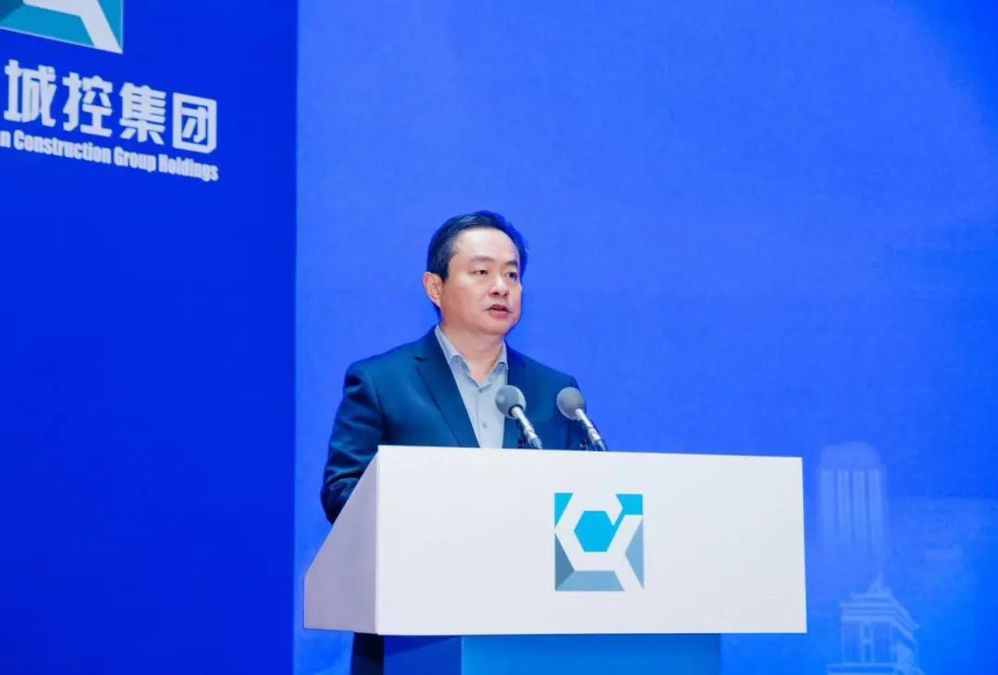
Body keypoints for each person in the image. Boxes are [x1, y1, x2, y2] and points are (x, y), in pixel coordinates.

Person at [320, 210, 588, 674]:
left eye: (512, 275)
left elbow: (584, 498)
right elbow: (343, 493)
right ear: (435, 287)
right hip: (414, 636)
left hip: (530, 638)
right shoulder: (382, 381)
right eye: (482, 272)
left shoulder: (557, 394)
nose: (501, 287)